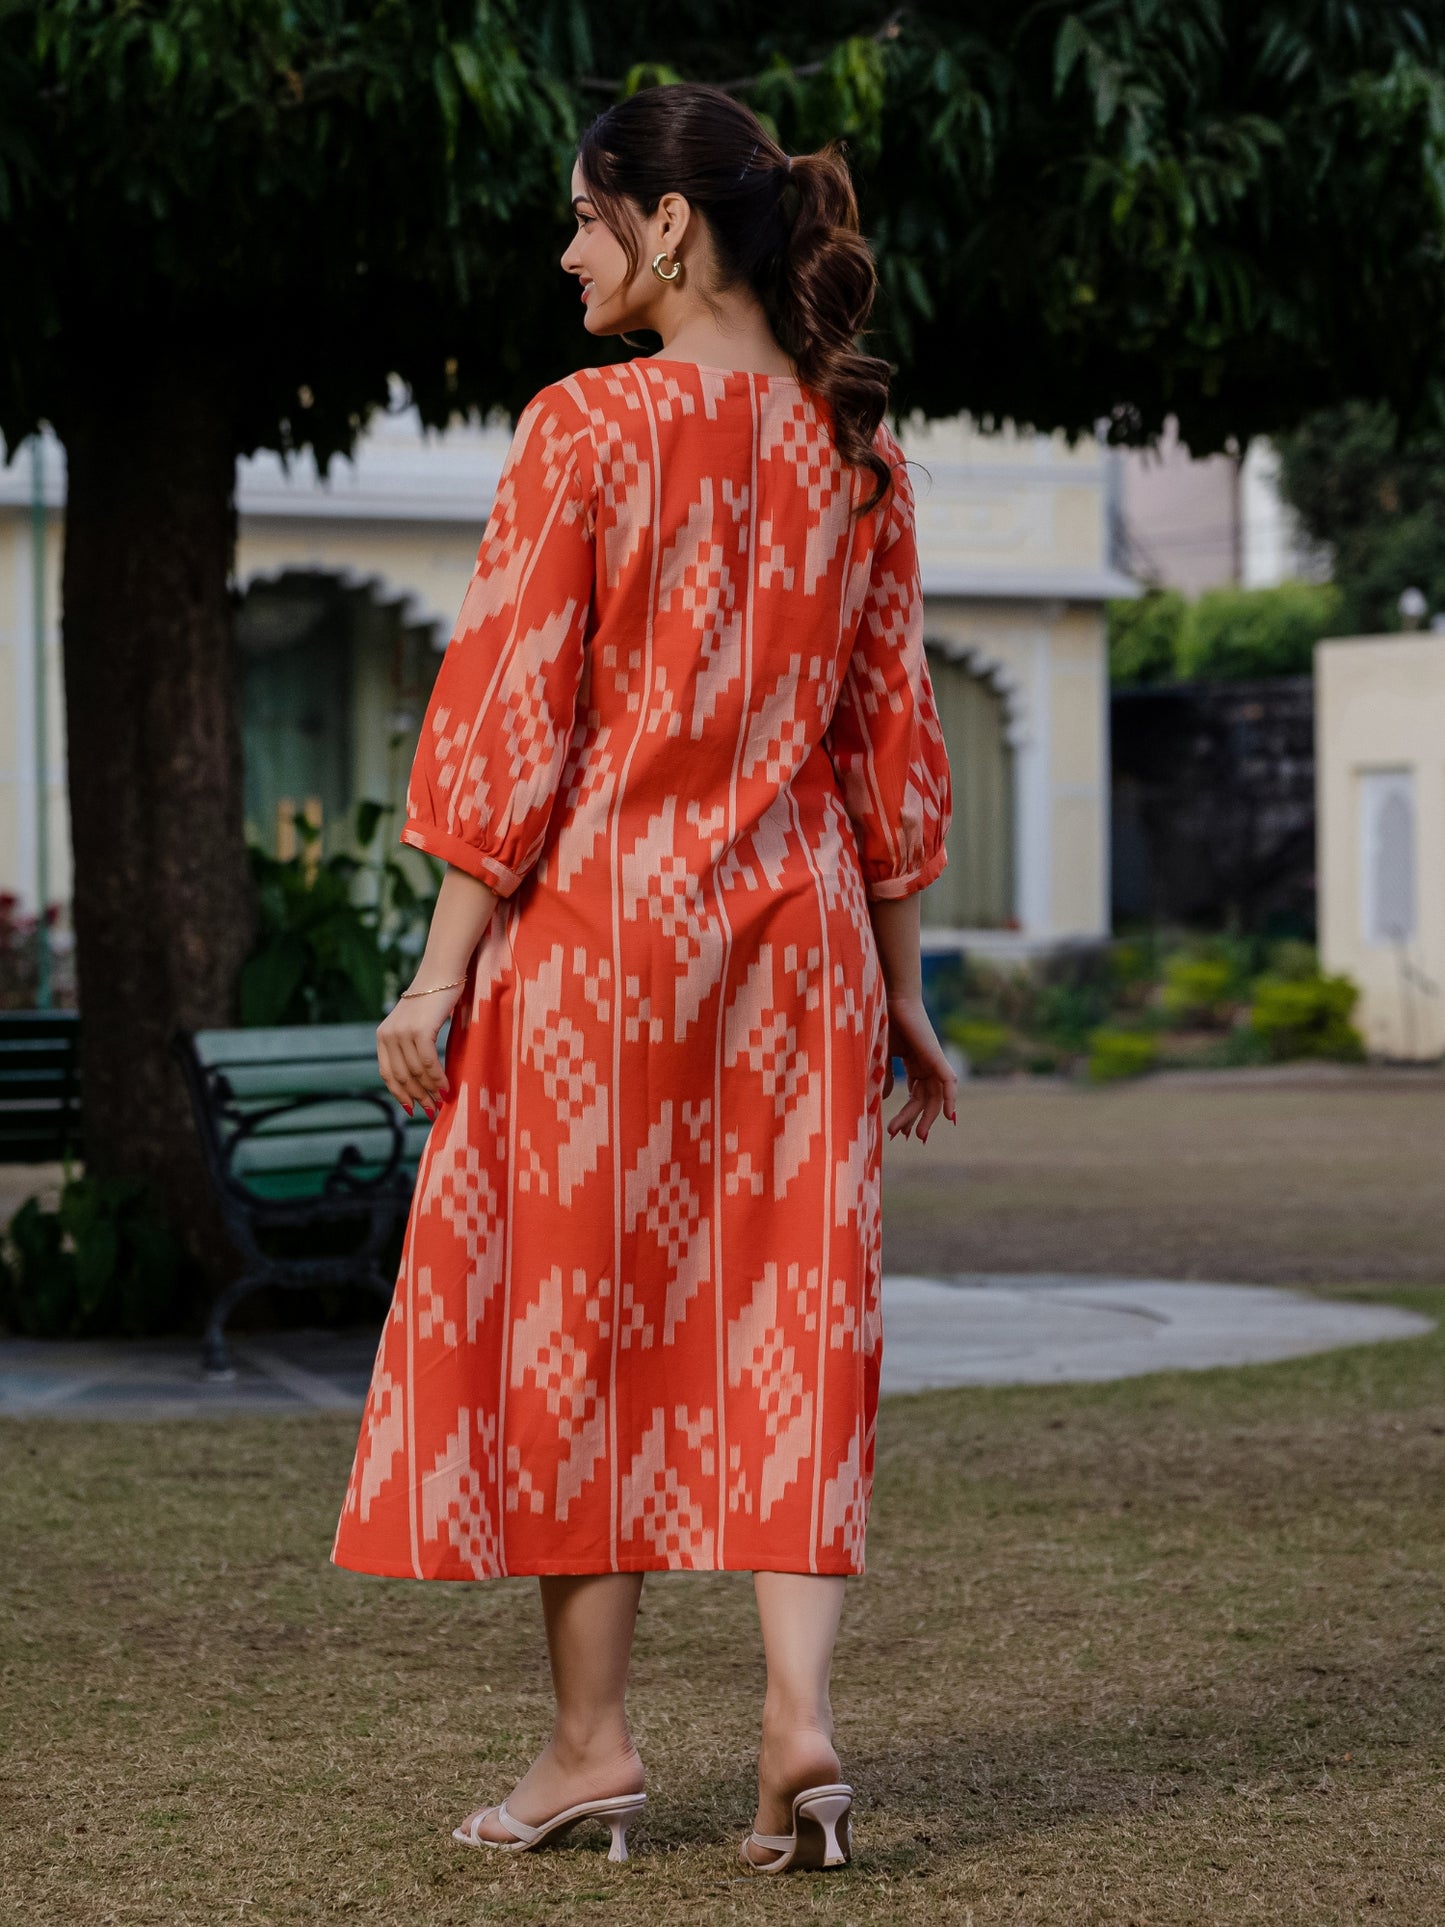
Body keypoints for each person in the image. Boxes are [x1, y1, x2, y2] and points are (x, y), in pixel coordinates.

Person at [331, 80, 958, 1874]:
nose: (565, 254)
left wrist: (434, 981)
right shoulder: (853, 450)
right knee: (795, 1315)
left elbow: (510, 712)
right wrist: (905, 992)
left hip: (603, 936)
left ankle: (590, 1748)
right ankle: (796, 1725)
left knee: (575, 1324)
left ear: (664, 225)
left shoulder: (584, 427)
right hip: (804, 937)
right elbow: (886, 738)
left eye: (583, 217)